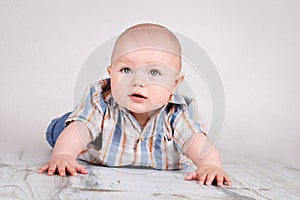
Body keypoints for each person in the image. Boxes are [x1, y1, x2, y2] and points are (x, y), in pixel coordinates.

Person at [38, 23, 232, 187]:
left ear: (175, 83)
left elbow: (195, 140)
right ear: (111, 72)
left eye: (154, 73)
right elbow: (80, 130)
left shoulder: (177, 111)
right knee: (67, 129)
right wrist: (63, 155)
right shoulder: (101, 102)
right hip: (91, 136)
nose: (138, 81)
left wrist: (211, 165)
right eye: (126, 69)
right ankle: (66, 122)